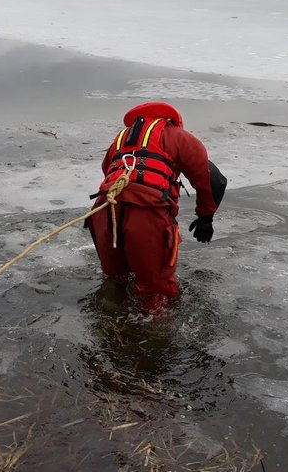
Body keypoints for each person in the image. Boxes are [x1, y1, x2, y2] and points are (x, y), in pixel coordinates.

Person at [86, 101, 226, 315]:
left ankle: (112, 328)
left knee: (115, 280)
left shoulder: (121, 139)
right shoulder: (178, 136)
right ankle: (154, 339)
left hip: (105, 211)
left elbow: (107, 170)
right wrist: (206, 217)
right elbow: (211, 179)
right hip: (147, 213)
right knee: (156, 290)